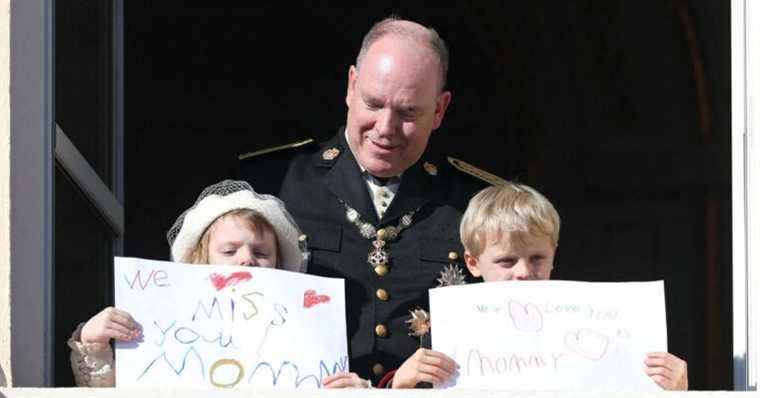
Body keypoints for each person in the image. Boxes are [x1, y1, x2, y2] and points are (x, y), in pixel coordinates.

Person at [240, 16, 497, 386]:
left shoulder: (476, 203)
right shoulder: (270, 185)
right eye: (373, 104)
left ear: (439, 110)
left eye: (408, 112)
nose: (386, 128)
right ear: (351, 86)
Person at [389, 183, 689, 390]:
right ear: (473, 262)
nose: (523, 272)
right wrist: (400, 386)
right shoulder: (446, 336)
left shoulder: (593, 321)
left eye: (537, 258)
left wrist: (677, 391)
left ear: (554, 254)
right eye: (506, 261)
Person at [67, 180, 308, 387]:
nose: (246, 259)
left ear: (278, 265)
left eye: (261, 253)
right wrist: (93, 344)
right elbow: (111, 390)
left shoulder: (302, 331)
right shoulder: (162, 324)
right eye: (229, 250)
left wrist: (343, 390)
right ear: (200, 261)